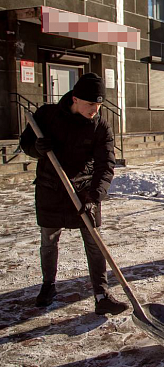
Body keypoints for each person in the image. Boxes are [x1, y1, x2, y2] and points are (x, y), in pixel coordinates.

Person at [20, 73, 127, 316]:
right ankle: (48, 286)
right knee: (49, 240)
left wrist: (95, 197)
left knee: (94, 242)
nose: (95, 110)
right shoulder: (47, 116)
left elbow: (105, 165)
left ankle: (101, 295)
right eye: (91, 104)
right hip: (50, 189)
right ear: (75, 99)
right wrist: (36, 149)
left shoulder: (101, 126)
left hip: (83, 192)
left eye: (99, 105)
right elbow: (25, 142)